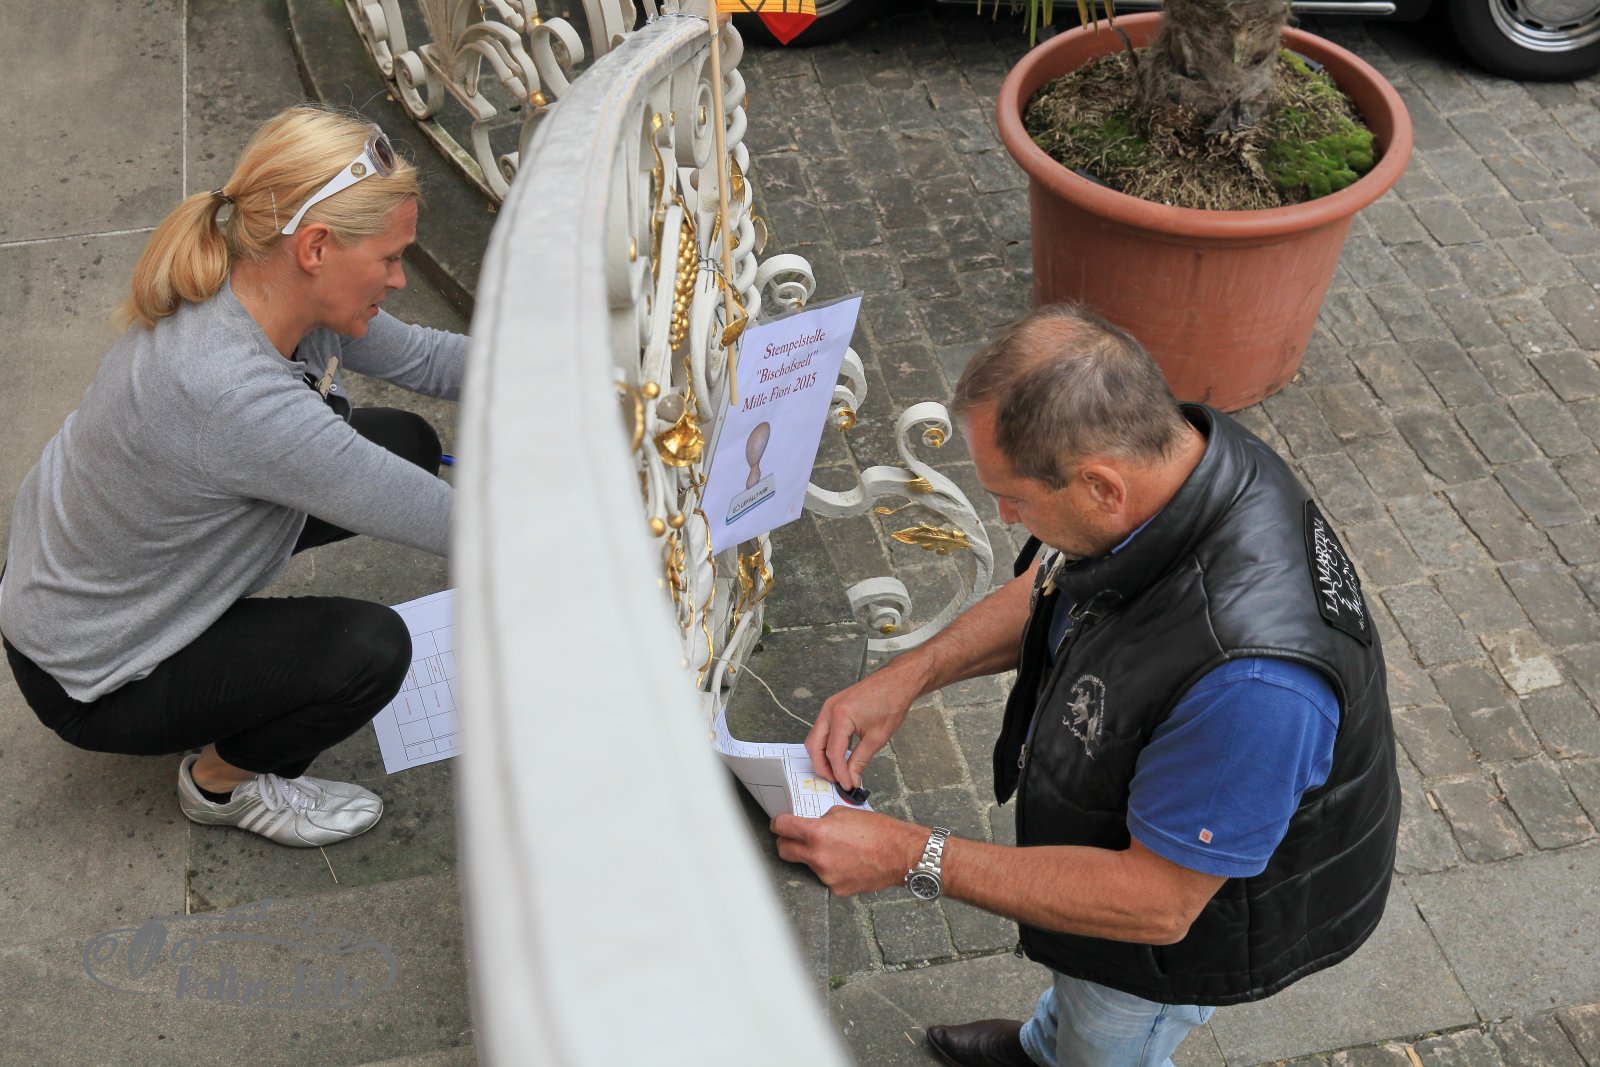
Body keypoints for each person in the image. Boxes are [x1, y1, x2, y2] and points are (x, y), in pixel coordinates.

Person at [772, 304, 1400, 1067]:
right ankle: (1045, 1048)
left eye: (1014, 497)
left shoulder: (1255, 684)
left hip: (1173, 936)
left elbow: (1156, 903)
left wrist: (910, 854)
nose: (1003, 515)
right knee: (1078, 1001)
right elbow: (1056, 577)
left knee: (1109, 1030)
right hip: (1152, 829)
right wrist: (910, 675)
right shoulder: (1173, 465)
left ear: (1102, 486)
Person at [0, 105, 467, 849]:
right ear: (316, 246)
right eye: (388, 258)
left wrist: (581, 372)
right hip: (90, 668)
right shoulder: (232, 396)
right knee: (370, 651)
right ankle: (221, 784)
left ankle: (220, 650)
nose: (399, 277)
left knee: (405, 439)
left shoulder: (258, 277)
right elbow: (463, 529)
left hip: (81, 576)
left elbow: (427, 360)